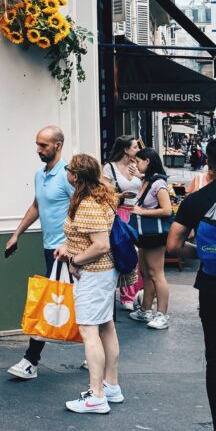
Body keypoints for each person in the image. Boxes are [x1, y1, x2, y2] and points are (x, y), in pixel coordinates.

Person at [167, 137, 216, 431]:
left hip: (213, 289)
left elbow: (173, 246)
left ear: (208, 165)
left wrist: (201, 252)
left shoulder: (196, 200)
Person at [54, 153, 122, 414]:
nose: (67, 173)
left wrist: (75, 260)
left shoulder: (88, 204)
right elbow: (91, 236)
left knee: (89, 331)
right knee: (106, 326)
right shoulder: (100, 196)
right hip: (103, 274)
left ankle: (96, 395)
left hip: (93, 274)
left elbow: (101, 245)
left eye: (69, 169)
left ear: (75, 176)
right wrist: (68, 246)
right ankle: (111, 385)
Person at [5, 125, 73, 380]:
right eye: (37, 144)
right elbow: (36, 205)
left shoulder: (68, 176)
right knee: (76, 301)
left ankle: (30, 361)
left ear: (58, 145)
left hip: (66, 252)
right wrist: (16, 234)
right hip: (50, 249)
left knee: (47, 302)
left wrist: (70, 244)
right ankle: (96, 351)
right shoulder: (40, 175)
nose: (38, 150)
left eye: (43, 145)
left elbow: (82, 209)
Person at [129, 148, 173, 330]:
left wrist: (143, 211)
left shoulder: (158, 183)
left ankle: (162, 314)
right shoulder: (146, 180)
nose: (136, 164)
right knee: (146, 273)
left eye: (138, 161)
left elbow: (167, 210)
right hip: (145, 235)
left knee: (157, 274)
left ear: (147, 161)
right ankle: (146, 309)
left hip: (155, 235)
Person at [103, 135, 144, 310]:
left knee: (138, 256)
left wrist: (142, 176)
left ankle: (137, 293)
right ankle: (126, 296)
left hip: (137, 213)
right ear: (126, 149)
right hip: (119, 214)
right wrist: (119, 197)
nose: (138, 150)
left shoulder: (138, 166)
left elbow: (148, 188)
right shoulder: (110, 168)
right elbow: (104, 192)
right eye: (135, 147)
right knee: (124, 253)